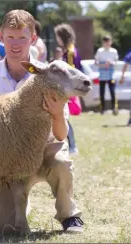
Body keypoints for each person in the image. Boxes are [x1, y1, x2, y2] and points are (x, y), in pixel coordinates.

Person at [0, 10, 83, 233]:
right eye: (10, 38)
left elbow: (62, 135)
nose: (16, 44)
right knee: (5, 227)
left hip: (44, 149)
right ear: (1, 38)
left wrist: (57, 113)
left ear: (33, 38)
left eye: (22, 38)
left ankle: (69, 214)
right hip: (6, 158)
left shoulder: (51, 75)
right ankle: (19, 206)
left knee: (62, 162)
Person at [54, 23, 80, 155]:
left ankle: (73, 145)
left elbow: (71, 71)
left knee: (65, 117)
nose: (56, 39)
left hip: (67, 88)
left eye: (57, 36)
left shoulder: (70, 52)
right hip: (67, 87)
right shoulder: (69, 50)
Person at [95, 35, 119, 115]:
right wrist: (102, 65)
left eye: (108, 42)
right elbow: (96, 62)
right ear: (103, 43)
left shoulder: (114, 51)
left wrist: (111, 63)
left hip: (111, 75)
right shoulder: (100, 51)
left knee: (112, 91)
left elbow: (116, 62)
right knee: (102, 92)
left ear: (111, 42)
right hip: (102, 75)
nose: (107, 44)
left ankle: (114, 108)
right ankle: (102, 109)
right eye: (105, 42)